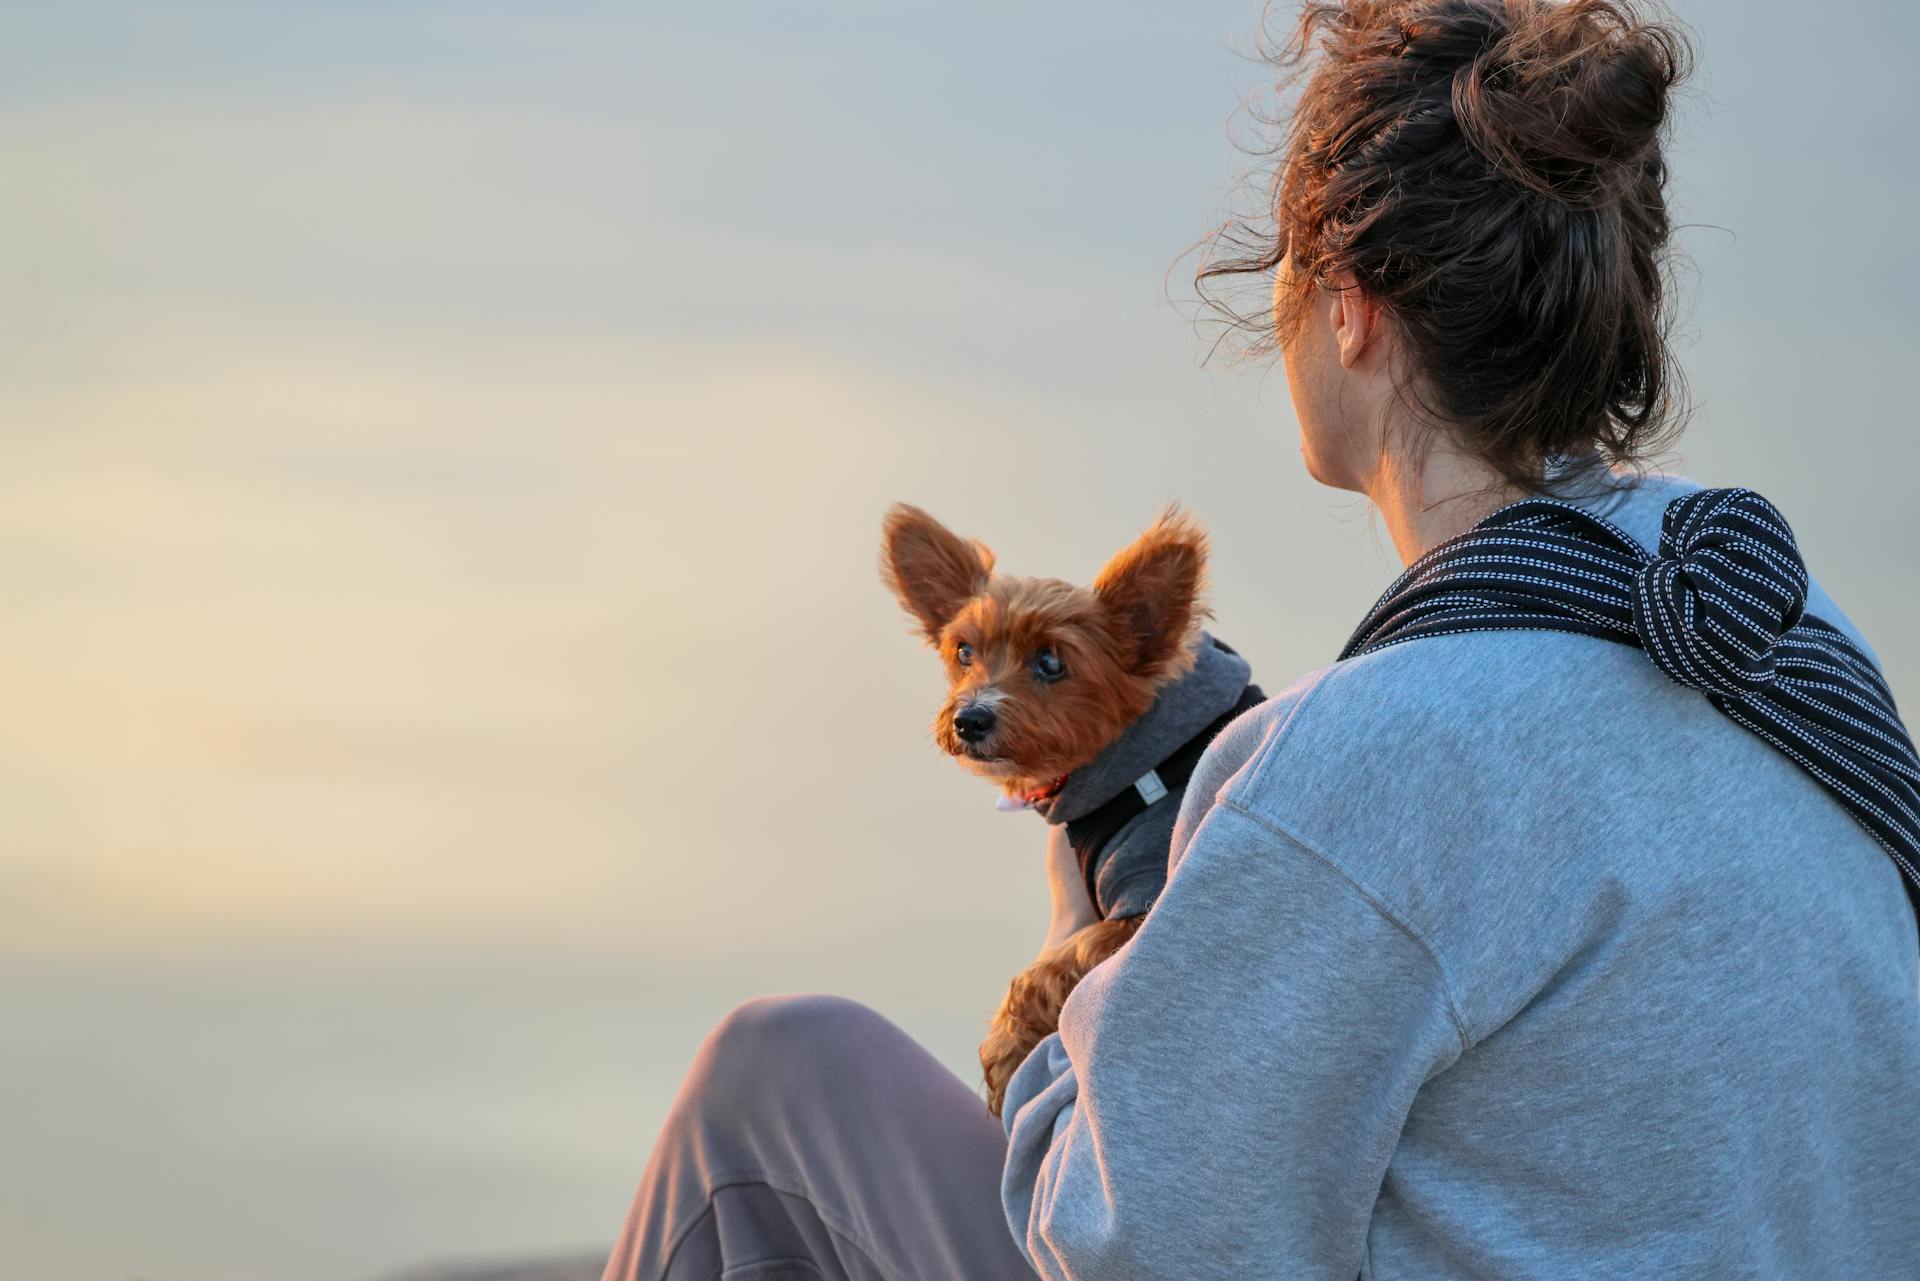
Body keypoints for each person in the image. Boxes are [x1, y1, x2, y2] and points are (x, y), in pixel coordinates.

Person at [601, 1, 1920, 1277]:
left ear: (1348, 302)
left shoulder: (1368, 757)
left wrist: (1079, 973)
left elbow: (1141, 1249)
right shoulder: (1778, 635)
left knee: (774, 1078)